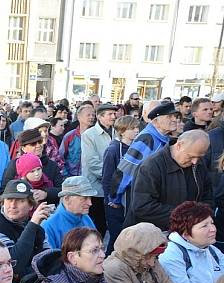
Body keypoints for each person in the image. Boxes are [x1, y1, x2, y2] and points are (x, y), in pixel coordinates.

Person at [128, 130, 212, 230]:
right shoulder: (151, 166)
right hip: (156, 233)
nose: (195, 161)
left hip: (188, 230)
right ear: (179, 145)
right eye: (191, 156)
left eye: (199, 157)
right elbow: (142, 206)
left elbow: (208, 196)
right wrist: (185, 217)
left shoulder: (199, 164)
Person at [103, 222, 177, 283]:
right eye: (148, 257)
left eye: (155, 257)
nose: (152, 263)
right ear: (134, 254)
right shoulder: (115, 269)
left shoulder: (150, 259)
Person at [0, 179, 52, 279]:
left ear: (31, 205)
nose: (13, 205)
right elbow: (14, 264)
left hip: (34, 282)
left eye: (20, 200)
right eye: (9, 200)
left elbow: (48, 258)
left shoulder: (34, 224)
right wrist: (32, 226)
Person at [158, 201, 224, 283]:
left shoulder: (213, 250)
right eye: (204, 226)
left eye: (212, 223)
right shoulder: (171, 254)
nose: (213, 229)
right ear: (185, 233)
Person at [102, 115, 141, 253]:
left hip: (131, 199)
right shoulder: (113, 150)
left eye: (137, 127)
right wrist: (110, 199)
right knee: (116, 238)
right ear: (122, 131)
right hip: (115, 201)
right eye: (132, 128)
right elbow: (107, 178)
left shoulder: (137, 148)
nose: (137, 130)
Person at [81, 103, 117, 235]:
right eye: (110, 114)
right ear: (100, 117)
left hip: (114, 186)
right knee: (98, 223)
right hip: (96, 187)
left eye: (114, 114)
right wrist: (113, 175)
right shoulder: (89, 135)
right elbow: (92, 162)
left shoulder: (117, 132)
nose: (113, 117)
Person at [1, 128, 63, 205]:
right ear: (23, 148)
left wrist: (46, 194)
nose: (38, 145)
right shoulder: (14, 164)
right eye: (33, 144)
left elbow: (61, 190)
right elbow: (4, 190)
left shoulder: (52, 165)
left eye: (40, 141)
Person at [41, 176, 97, 249]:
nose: (90, 203)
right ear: (67, 198)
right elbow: (48, 258)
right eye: (84, 198)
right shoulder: (48, 225)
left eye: (90, 198)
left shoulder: (85, 218)